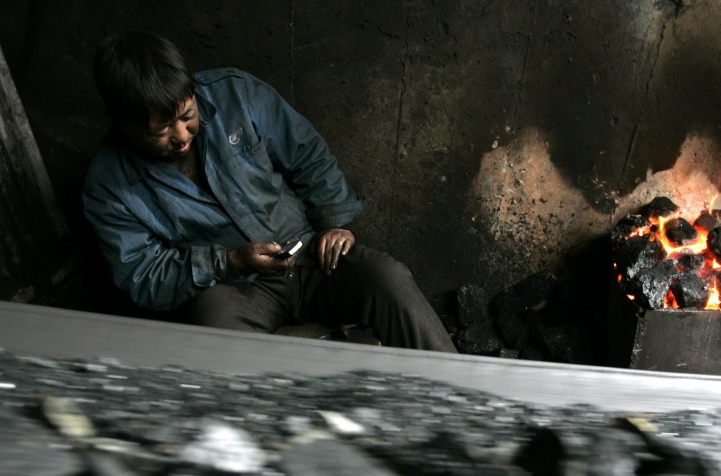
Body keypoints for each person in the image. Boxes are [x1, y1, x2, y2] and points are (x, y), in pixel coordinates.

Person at [83, 30, 456, 353]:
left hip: (311, 258)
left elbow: (307, 152)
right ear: (124, 125)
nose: (181, 136)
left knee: (386, 277)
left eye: (187, 116)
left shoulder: (236, 94)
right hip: (235, 289)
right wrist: (228, 262)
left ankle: (465, 397)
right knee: (215, 328)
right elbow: (144, 277)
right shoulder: (109, 186)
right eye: (160, 130)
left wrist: (334, 223)